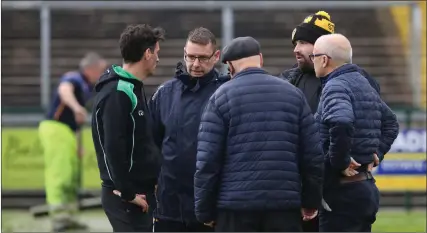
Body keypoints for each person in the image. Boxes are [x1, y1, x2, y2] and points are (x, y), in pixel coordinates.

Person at [194, 36, 324, 232]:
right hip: (284, 207)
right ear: (260, 59)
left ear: (230, 66)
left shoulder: (220, 98)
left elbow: (207, 161)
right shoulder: (293, 95)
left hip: (235, 210)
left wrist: (204, 211)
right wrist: (310, 201)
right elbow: (312, 156)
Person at [311, 33, 399, 232]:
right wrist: (378, 152)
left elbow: (341, 121)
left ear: (324, 60)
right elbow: (391, 123)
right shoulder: (363, 83)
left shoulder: (335, 85)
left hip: (342, 193)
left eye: (314, 56)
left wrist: (339, 162)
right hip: (364, 189)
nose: (313, 61)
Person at [148, 27, 229, 232]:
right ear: (184, 52)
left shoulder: (227, 93)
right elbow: (151, 144)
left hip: (211, 208)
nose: (195, 64)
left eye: (202, 58)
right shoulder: (165, 94)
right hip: (169, 207)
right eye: (190, 57)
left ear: (216, 56)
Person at [91, 24, 165, 232]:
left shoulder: (132, 86)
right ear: (147, 53)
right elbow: (113, 147)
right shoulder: (118, 92)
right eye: (157, 52)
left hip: (138, 192)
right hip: (127, 196)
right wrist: (127, 193)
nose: (158, 59)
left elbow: (142, 141)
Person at [38, 52, 107, 232]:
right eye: (100, 70)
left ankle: (69, 217)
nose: (102, 74)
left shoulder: (85, 87)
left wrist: (78, 145)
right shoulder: (74, 78)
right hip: (55, 128)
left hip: (68, 133)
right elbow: (64, 91)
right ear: (90, 68)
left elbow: (76, 123)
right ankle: (58, 218)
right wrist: (76, 107)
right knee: (59, 173)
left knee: (71, 176)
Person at [279, 11, 335, 115]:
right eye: (296, 44)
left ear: (321, 46)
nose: (296, 49)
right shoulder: (287, 80)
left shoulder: (345, 81)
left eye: (303, 43)